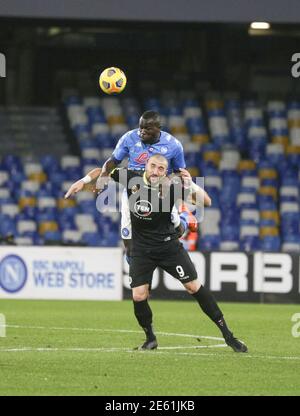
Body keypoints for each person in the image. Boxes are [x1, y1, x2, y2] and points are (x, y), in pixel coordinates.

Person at [109, 153, 248, 353]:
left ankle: (229, 336)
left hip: (168, 247)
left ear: (166, 172)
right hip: (142, 249)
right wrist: (86, 181)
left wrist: (191, 185)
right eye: (153, 166)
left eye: (161, 168)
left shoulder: (173, 187)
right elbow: (105, 172)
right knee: (139, 296)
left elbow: (206, 201)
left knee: (193, 287)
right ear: (145, 166)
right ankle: (150, 339)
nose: (156, 171)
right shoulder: (130, 177)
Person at [64, 110, 198, 261]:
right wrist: (87, 180)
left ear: (158, 128)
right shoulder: (129, 138)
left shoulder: (174, 145)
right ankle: (137, 271)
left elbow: (180, 173)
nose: (142, 132)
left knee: (177, 231)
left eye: (147, 129)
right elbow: (110, 164)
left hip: (160, 195)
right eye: (141, 127)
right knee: (129, 248)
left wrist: (169, 182)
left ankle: (186, 218)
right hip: (132, 192)